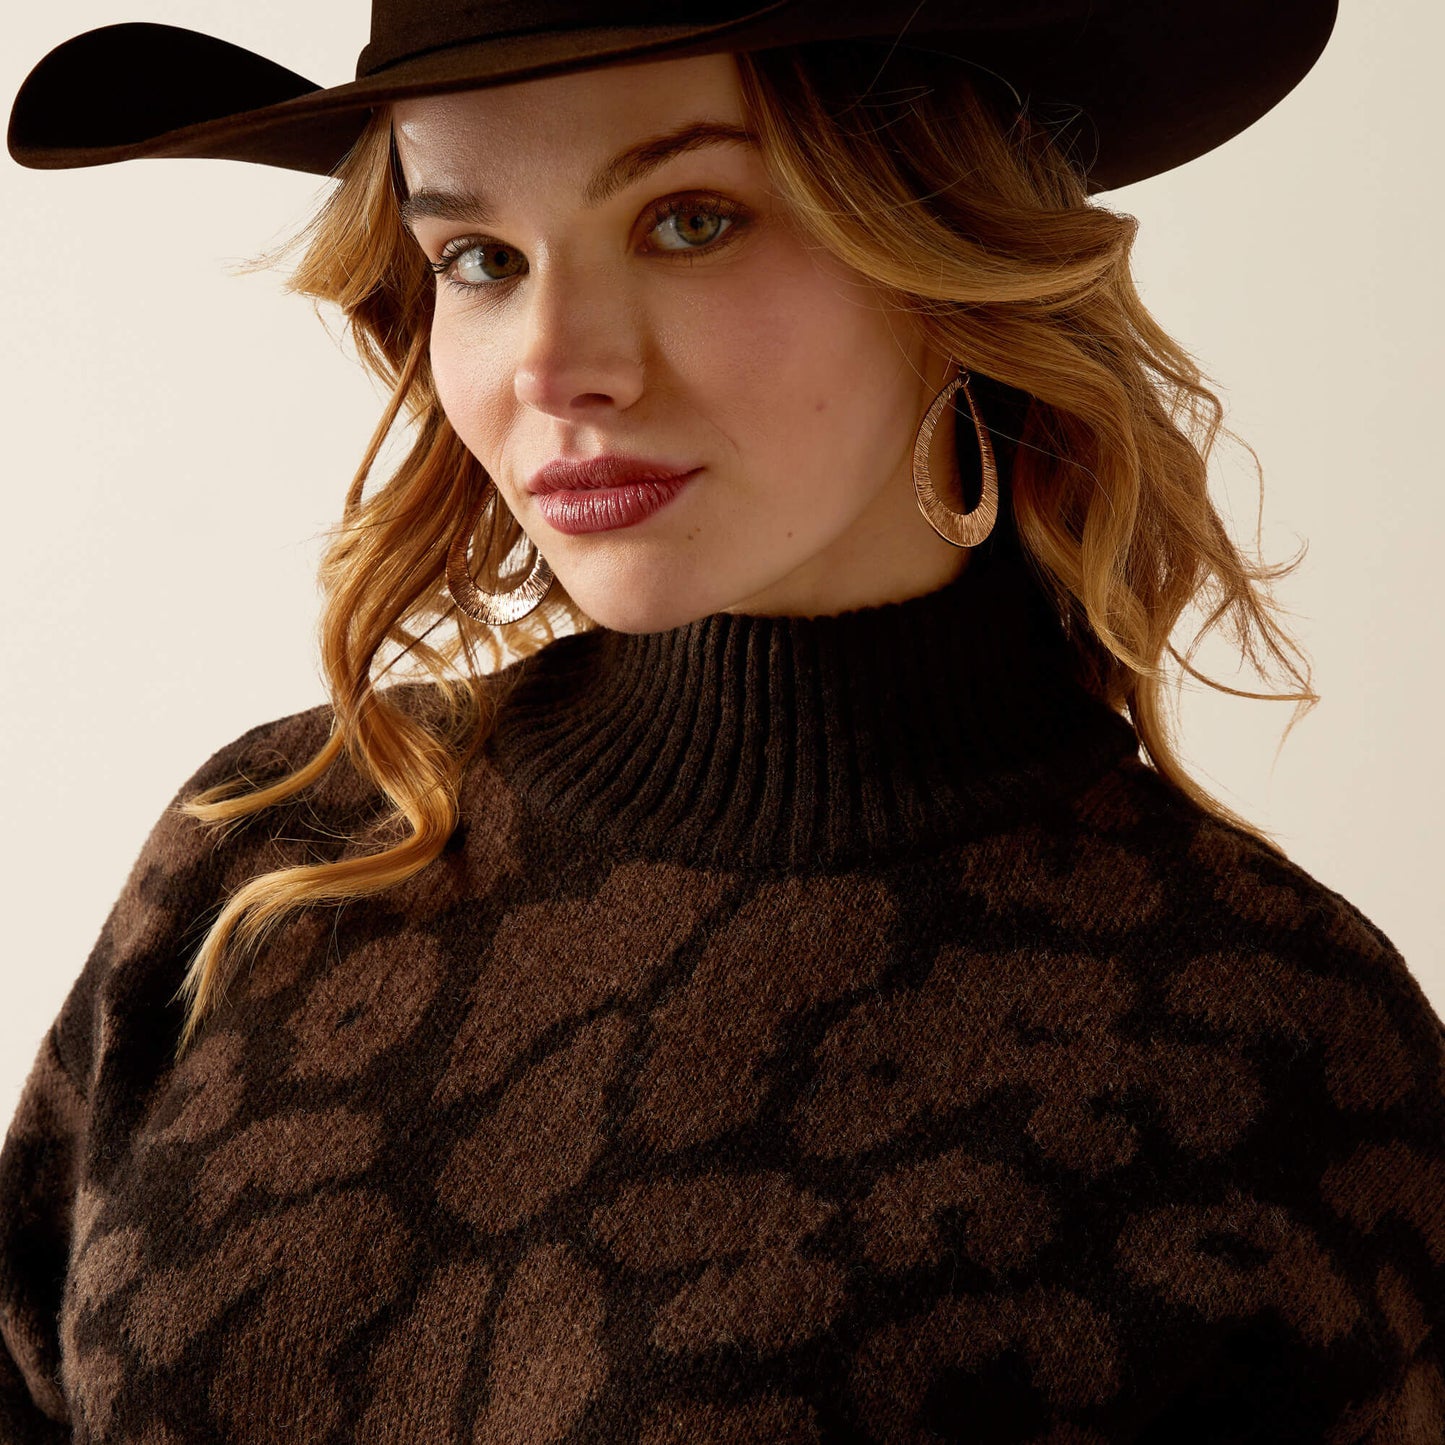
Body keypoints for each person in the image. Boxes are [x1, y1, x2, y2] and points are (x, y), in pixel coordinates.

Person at [3, 2, 1442, 1441]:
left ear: (945, 246)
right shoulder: (270, 843)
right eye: (480, 259)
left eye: (690, 220)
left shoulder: (1270, 1035)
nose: (555, 363)